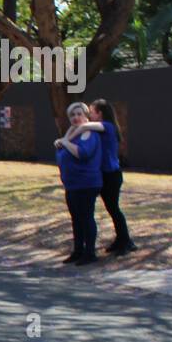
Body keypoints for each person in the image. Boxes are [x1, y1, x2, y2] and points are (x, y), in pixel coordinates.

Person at [67, 99, 137, 255]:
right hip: (105, 174)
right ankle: (121, 239)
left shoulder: (108, 126)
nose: (89, 115)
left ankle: (126, 241)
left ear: (100, 113)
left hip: (111, 174)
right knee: (111, 208)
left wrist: (67, 139)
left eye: (91, 112)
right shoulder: (102, 129)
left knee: (114, 208)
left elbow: (84, 125)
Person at [53, 102, 103, 266]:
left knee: (86, 217)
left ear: (86, 115)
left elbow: (83, 153)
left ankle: (90, 253)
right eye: (72, 115)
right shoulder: (71, 135)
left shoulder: (89, 133)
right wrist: (62, 143)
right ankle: (78, 251)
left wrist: (65, 143)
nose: (75, 117)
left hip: (87, 183)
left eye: (79, 114)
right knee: (76, 218)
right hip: (71, 184)